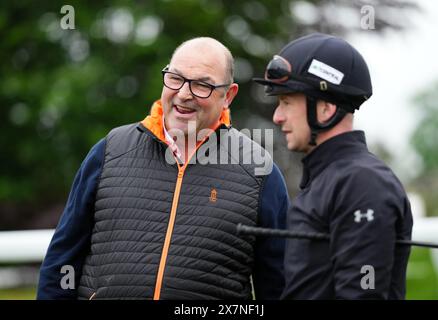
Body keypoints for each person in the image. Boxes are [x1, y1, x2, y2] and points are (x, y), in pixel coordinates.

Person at [37, 37, 289, 300]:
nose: (183, 94)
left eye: (202, 85)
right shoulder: (109, 151)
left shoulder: (260, 173)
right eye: (175, 78)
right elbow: (61, 263)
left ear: (228, 96)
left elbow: (278, 287)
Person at [254, 33, 413, 299]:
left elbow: (363, 294)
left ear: (325, 108)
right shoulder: (328, 179)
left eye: (286, 102)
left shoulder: (361, 183)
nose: (277, 116)